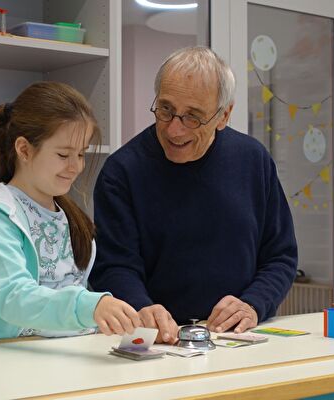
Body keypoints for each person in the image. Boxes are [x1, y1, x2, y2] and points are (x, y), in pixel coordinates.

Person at [89, 46, 298, 344]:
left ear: (223, 115)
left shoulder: (253, 161)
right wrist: (142, 308)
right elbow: (113, 266)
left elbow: (280, 255)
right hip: (156, 340)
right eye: (165, 110)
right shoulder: (122, 171)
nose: (174, 129)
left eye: (193, 117)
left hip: (237, 337)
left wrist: (253, 303)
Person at [0, 81, 141, 343]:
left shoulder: (68, 215)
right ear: (24, 149)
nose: (76, 166)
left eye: (81, 154)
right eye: (64, 154)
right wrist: (88, 307)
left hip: (57, 362)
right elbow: (15, 297)